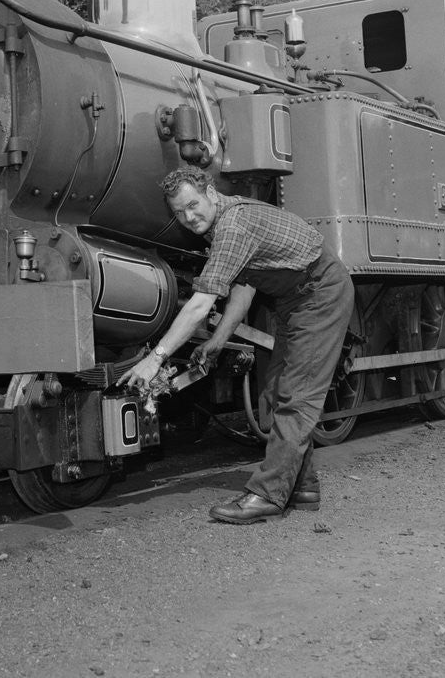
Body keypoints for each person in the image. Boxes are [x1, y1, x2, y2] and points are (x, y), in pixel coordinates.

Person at [119, 167, 355, 525]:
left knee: (297, 395)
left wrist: (155, 358)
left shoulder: (234, 225)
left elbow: (200, 305)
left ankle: (267, 494)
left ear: (211, 193)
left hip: (320, 292)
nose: (189, 217)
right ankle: (302, 488)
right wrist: (218, 340)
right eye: (180, 213)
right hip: (295, 300)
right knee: (276, 391)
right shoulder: (223, 225)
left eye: (193, 205)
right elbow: (245, 287)